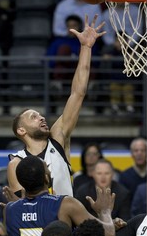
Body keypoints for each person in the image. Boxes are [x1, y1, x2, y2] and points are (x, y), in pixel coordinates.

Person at [7, 14, 106, 197]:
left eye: (39, 115)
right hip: (38, 225)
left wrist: (85, 48)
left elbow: (78, 93)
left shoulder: (58, 138)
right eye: (33, 117)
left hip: (66, 222)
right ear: (21, 131)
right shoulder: (16, 163)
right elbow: (19, 209)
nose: (41, 117)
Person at [3, 155, 125, 236]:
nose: (50, 171)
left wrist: (18, 204)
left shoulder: (8, 210)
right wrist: (104, 212)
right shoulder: (66, 204)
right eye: (47, 168)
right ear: (46, 178)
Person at [74, 158, 131, 224]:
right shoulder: (82, 192)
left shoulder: (123, 193)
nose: (103, 177)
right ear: (93, 174)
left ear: (112, 174)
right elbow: (78, 218)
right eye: (99, 173)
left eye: (107, 173)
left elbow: (125, 220)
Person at [118, 137, 147, 201]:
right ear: (131, 154)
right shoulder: (124, 176)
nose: (139, 153)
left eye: (143, 150)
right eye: (136, 151)